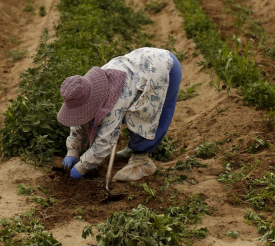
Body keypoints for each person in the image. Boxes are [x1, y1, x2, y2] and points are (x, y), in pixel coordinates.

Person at [57, 47, 182, 182]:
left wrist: (82, 167)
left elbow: (105, 141)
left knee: (145, 116)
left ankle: (141, 160)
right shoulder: (84, 89)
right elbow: (79, 119)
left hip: (163, 69)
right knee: (131, 108)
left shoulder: (111, 105)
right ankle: (132, 148)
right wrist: (73, 151)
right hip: (141, 64)